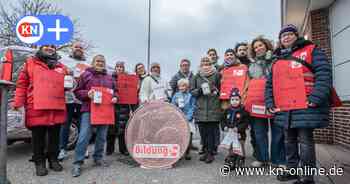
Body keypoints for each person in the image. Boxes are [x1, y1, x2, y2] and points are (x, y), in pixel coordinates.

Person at [265, 24, 332, 184]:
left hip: (305, 104)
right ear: (280, 40)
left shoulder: (312, 50)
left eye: (289, 34)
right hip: (285, 107)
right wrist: (270, 102)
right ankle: (293, 170)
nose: (286, 37)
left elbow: (324, 73)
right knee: (288, 140)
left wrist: (316, 97)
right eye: (283, 36)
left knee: (305, 140)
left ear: (297, 36)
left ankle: (307, 177)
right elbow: (270, 85)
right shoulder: (277, 60)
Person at [12, 45, 68, 176]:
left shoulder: (61, 67)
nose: (49, 48)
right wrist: (18, 103)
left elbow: (68, 84)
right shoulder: (30, 63)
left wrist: (69, 85)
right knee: (38, 137)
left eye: (52, 47)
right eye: (46, 46)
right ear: (40, 48)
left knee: (55, 137)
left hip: (56, 106)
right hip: (36, 106)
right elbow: (22, 84)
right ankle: (39, 162)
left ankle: (53, 159)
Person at [71, 54, 118, 177]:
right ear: (93, 62)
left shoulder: (110, 78)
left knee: (102, 136)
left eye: (102, 61)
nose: (100, 63)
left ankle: (98, 158)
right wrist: (87, 93)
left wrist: (115, 97)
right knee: (84, 136)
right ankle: (78, 162)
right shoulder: (85, 75)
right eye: (97, 61)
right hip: (89, 109)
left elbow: (116, 91)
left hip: (105, 110)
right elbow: (76, 91)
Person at [247, 36, 286, 168]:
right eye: (255, 47)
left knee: (278, 131)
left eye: (260, 45)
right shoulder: (251, 65)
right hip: (257, 103)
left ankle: (278, 160)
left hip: (275, 101)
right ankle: (262, 158)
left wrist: (268, 61)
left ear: (267, 46)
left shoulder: (276, 61)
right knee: (259, 132)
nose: (258, 49)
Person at [58, 42, 89, 161]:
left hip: (82, 99)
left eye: (81, 47)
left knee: (83, 126)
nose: (78, 49)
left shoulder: (87, 64)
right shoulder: (64, 61)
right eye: (76, 47)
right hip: (67, 98)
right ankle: (62, 149)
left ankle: (83, 148)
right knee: (65, 124)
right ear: (72, 49)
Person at [191, 57, 222, 163]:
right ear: (200, 64)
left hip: (213, 106)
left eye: (207, 62)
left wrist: (215, 90)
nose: (205, 64)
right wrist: (199, 90)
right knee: (203, 132)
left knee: (211, 132)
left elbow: (221, 90)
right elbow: (192, 92)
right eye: (203, 62)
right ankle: (205, 151)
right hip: (201, 108)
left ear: (211, 63)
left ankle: (210, 153)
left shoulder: (217, 74)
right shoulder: (196, 76)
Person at [106, 61, 137, 156]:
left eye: (121, 67)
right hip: (113, 105)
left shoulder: (128, 78)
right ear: (115, 68)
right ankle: (109, 149)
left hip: (124, 106)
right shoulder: (110, 78)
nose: (119, 68)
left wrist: (132, 108)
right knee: (111, 129)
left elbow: (132, 93)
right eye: (118, 67)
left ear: (123, 68)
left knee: (123, 129)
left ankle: (123, 149)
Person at [222, 88, 249, 169]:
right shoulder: (227, 111)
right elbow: (222, 120)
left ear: (240, 100)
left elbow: (245, 123)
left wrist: (238, 128)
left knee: (240, 147)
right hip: (230, 134)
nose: (234, 101)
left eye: (237, 99)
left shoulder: (244, 112)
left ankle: (240, 161)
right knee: (231, 147)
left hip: (240, 134)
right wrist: (224, 127)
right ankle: (231, 161)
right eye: (232, 99)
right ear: (230, 100)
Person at [171, 78, 196, 160]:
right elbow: (173, 106)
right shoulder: (176, 95)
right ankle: (180, 152)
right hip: (178, 118)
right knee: (179, 136)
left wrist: (188, 117)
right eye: (180, 86)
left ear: (187, 86)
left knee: (189, 135)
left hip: (188, 118)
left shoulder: (191, 95)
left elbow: (193, 107)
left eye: (184, 86)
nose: (182, 87)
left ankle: (187, 152)